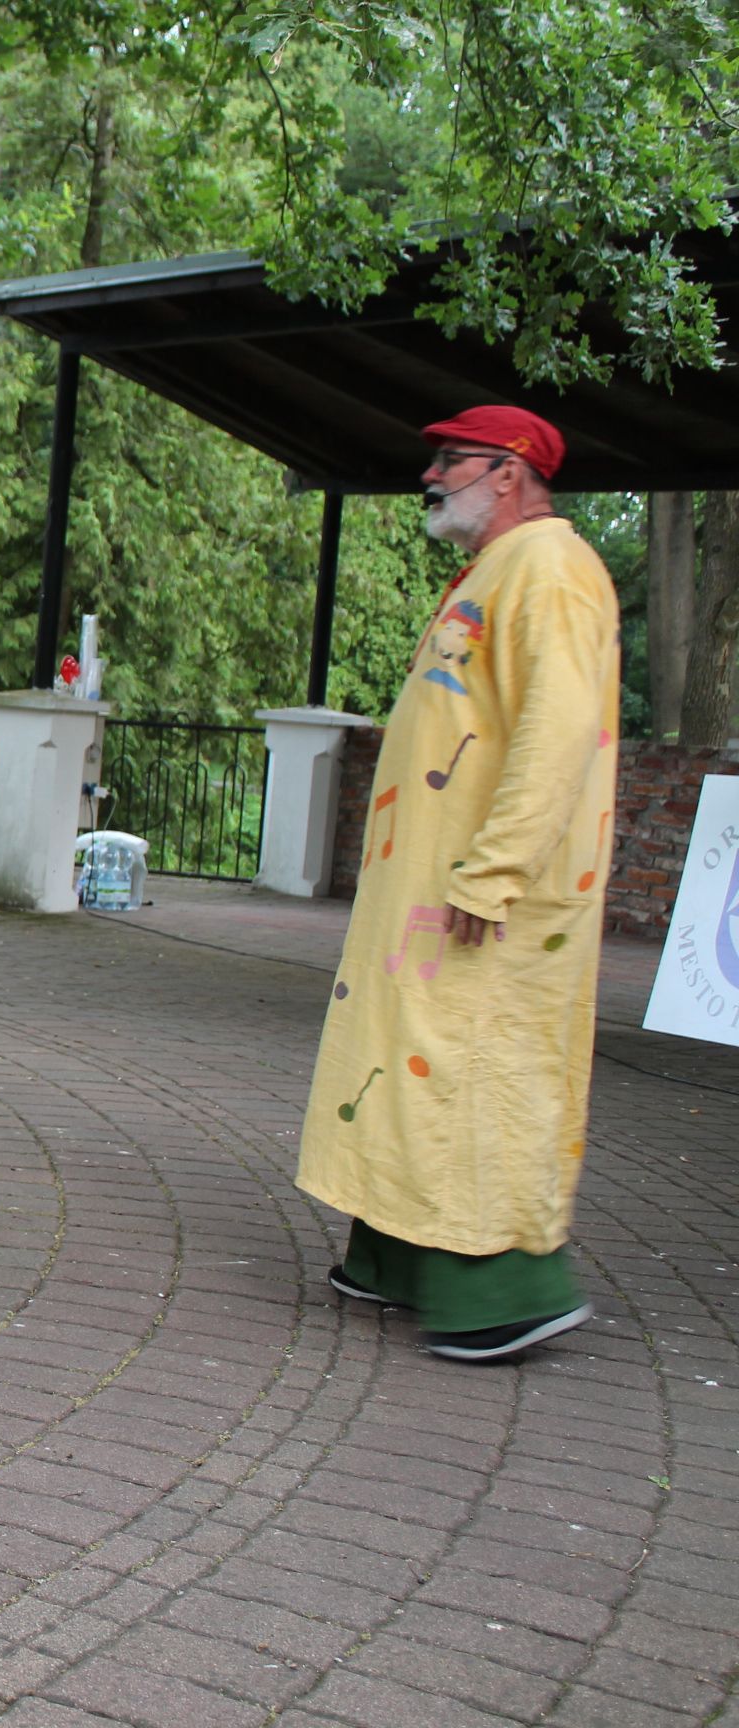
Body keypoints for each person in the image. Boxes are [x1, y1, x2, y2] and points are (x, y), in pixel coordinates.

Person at [298, 406, 616, 1364]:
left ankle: (506, 1293)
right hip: (433, 892)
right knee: (408, 1060)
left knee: (480, 1073)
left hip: (490, 903)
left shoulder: (552, 567)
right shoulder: (497, 568)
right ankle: (396, 1258)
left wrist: (493, 875)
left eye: (451, 460)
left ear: (509, 472)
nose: (431, 475)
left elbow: (558, 731)